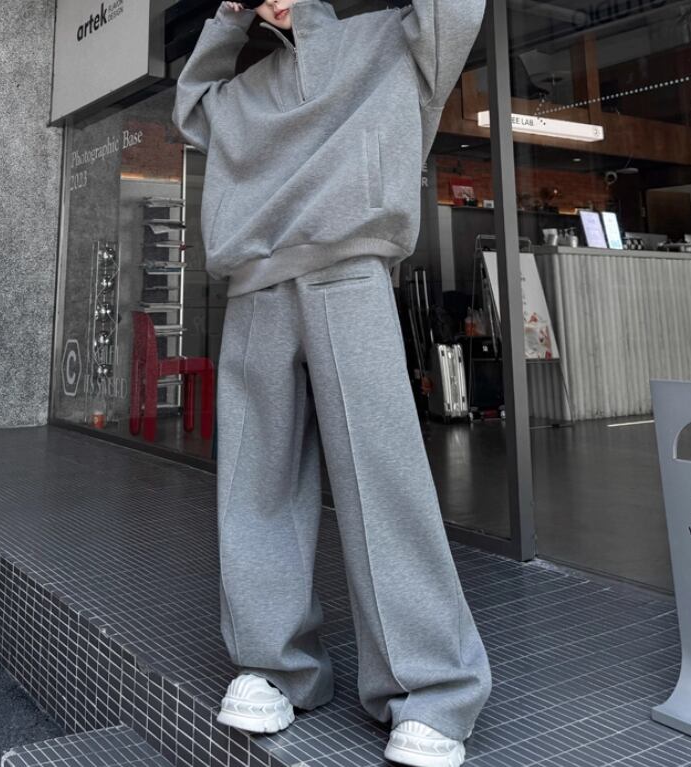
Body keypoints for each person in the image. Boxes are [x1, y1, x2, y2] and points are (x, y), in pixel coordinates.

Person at [171, 0, 491, 764]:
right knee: (256, 480)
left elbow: (455, 11)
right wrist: (228, 18)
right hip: (255, 285)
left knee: (383, 479)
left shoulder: (391, 42)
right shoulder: (246, 90)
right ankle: (272, 664)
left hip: (351, 272)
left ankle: (433, 688)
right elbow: (192, 109)